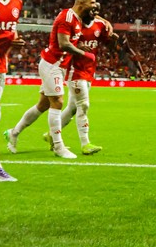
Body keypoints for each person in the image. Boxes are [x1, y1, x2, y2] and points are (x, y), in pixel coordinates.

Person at [4, 0, 98, 159]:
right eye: (92, 2)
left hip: (59, 66)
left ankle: (13, 132)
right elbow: (63, 44)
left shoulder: (76, 19)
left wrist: (101, 23)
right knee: (58, 102)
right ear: (81, 3)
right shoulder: (67, 18)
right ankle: (58, 146)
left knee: (43, 105)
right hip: (52, 65)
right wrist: (84, 54)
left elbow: (88, 25)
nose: (94, 5)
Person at [48, 11, 114, 155]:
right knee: (83, 105)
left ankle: (51, 135)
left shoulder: (100, 24)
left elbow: (107, 40)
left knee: (72, 108)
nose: (95, 11)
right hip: (74, 71)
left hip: (90, 71)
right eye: (92, 8)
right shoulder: (74, 24)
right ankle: (85, 144)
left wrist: (111, 35)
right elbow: (64, 43)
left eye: (97, 9)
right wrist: (77, 48)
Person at [0, 0, 26, 181]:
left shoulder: (16, 2)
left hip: (0, 65)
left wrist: (13, 42)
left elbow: (10, 33)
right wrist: (8, 39)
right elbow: (7, 35)